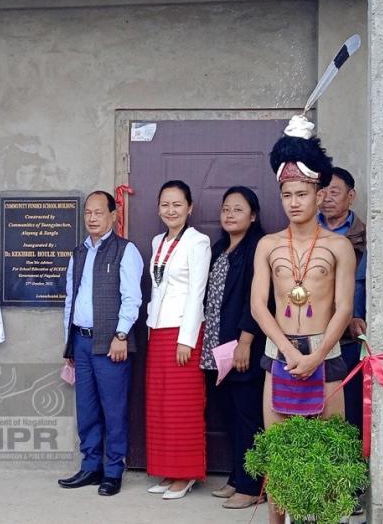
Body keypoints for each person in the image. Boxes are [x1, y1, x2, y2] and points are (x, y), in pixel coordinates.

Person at [251, 116, 354, 524]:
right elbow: (260, 305)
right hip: (280, 355)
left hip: (325, 356)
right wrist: (293, 352)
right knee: (279, 459)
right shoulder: (268, 245)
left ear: (319, 194)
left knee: (327, 458)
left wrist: (315, 356)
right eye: (287, 194)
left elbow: (344, 308)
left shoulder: (339, 246)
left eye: (302, 193)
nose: (294, 201)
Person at [57, 191, 144, 497]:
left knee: (114, 408)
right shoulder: (78, 252)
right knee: (87, 408)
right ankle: (90, 466)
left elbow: (132, 298)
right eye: (88, 213)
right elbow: (71, 299)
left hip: (111, 344)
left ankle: (113, 471)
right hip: (81, 342)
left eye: (98, 213)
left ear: (113, 215)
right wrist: (68, 344)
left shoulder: (125, 250)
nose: (92, 218)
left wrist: (121, 336)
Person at [144, 180, 211, 500]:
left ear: (190, 207)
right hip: (157, 330)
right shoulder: (158, 240)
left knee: (182, 405)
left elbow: (197, 292)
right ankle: (168, 470)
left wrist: (187, 339)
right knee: (160, 404)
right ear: (158, 208)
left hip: (183, 333)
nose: (171, 210)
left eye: (177, 205)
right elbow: (157, 288)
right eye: (165, 205)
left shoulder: (198, 242)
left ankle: (186, 475)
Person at [202, 186, 267, 509]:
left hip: (243, 348)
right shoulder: (220, 249)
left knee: (247, 416)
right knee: (227, 413)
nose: (229, 214)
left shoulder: (258, 249)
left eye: (237, 209)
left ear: (253, 216)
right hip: (216, 347)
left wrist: (245, 341)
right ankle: (236, 476)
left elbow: (256, 301)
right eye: (226, 209)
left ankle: (253, 485)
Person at [318, 166, 367, 433]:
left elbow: (370, 284)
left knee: (349, 409)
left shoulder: (367, 237)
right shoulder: (305, 232)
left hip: (350, 336)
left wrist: (358, 315)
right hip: (311, 332)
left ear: (351, 196)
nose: (326, 198)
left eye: (334, 192)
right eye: (322, 192)